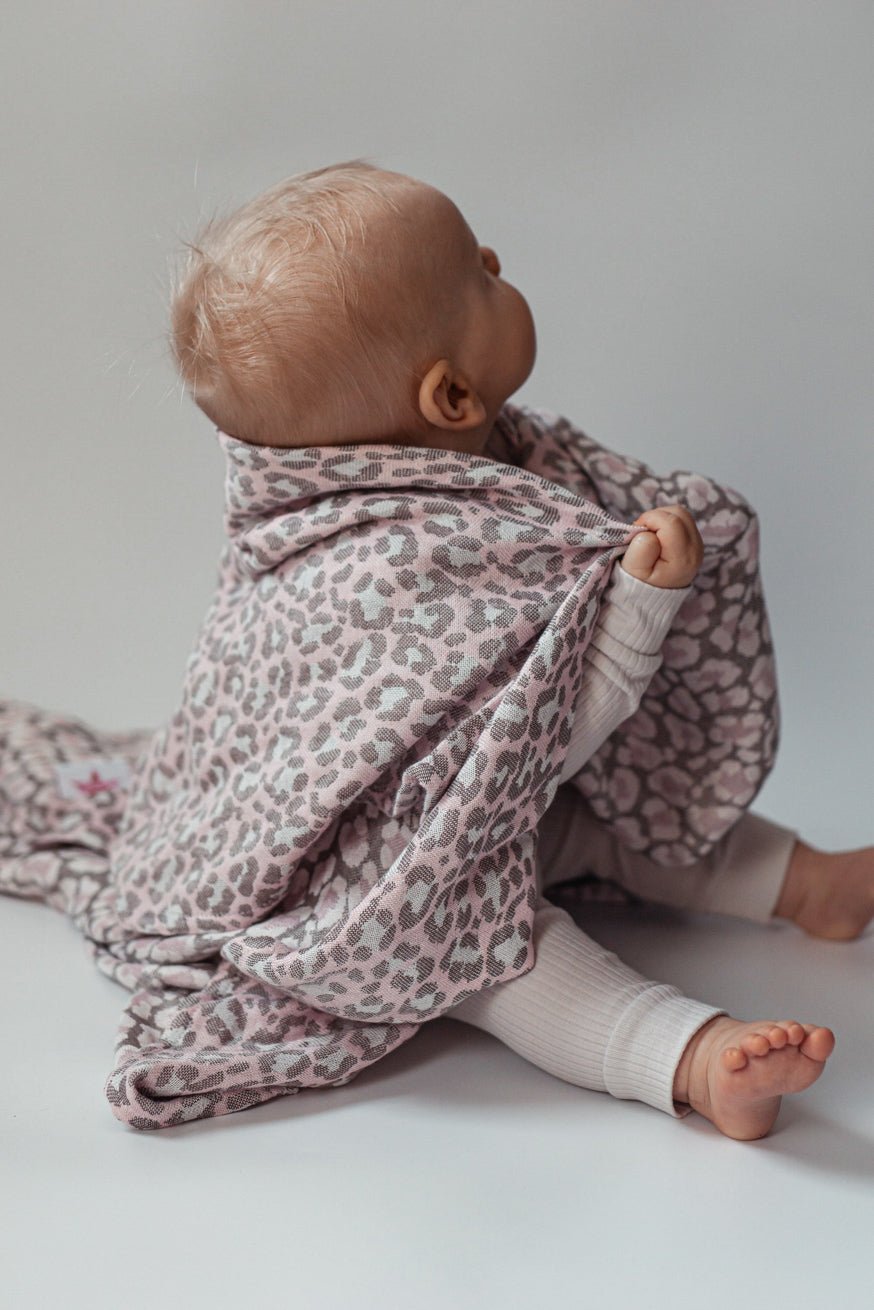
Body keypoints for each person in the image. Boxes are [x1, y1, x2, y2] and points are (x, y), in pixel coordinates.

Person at [164, 157, 874, 1139]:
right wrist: (640, 608)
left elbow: (522, 772)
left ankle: (812, 884)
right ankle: (693, 1058)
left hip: (493, 811)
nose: (497, 261)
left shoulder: (497, 465)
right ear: (452, 396)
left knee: (602, 822)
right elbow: (536, 738)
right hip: (388, 883)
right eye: (478, 273)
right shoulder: (389, 565)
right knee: (509, 958)